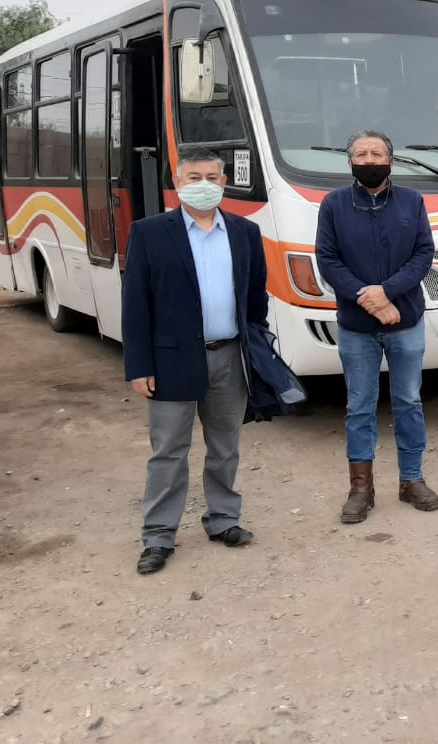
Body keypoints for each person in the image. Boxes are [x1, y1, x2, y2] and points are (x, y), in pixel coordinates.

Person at [123, 145, 268, 575]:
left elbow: (255, 299)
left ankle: (223, 520)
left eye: (211, 178)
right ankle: (158, 536)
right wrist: (139, 366)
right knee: (169, 451)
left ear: (224, 182)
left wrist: (256, 352)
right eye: (193, 178)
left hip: (229, 357)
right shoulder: (149, 233)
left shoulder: (245, 233)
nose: (203, 185)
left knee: (225, 447)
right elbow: (135, 305)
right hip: (171, 363)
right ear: (177, 182)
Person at [316, 130, 438, 523]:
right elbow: (327, 259)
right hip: (356, 326)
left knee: (409, 401)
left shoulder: (412, 201)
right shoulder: (334, 205)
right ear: (350, 161)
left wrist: (386, 292)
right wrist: (364, 296)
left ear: (391, 160)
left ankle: (412, 480)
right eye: (361, 154)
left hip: (406, 321)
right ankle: (361, 489)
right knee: (359, 407)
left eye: (376, 153)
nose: (369, 160)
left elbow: (423, 254)